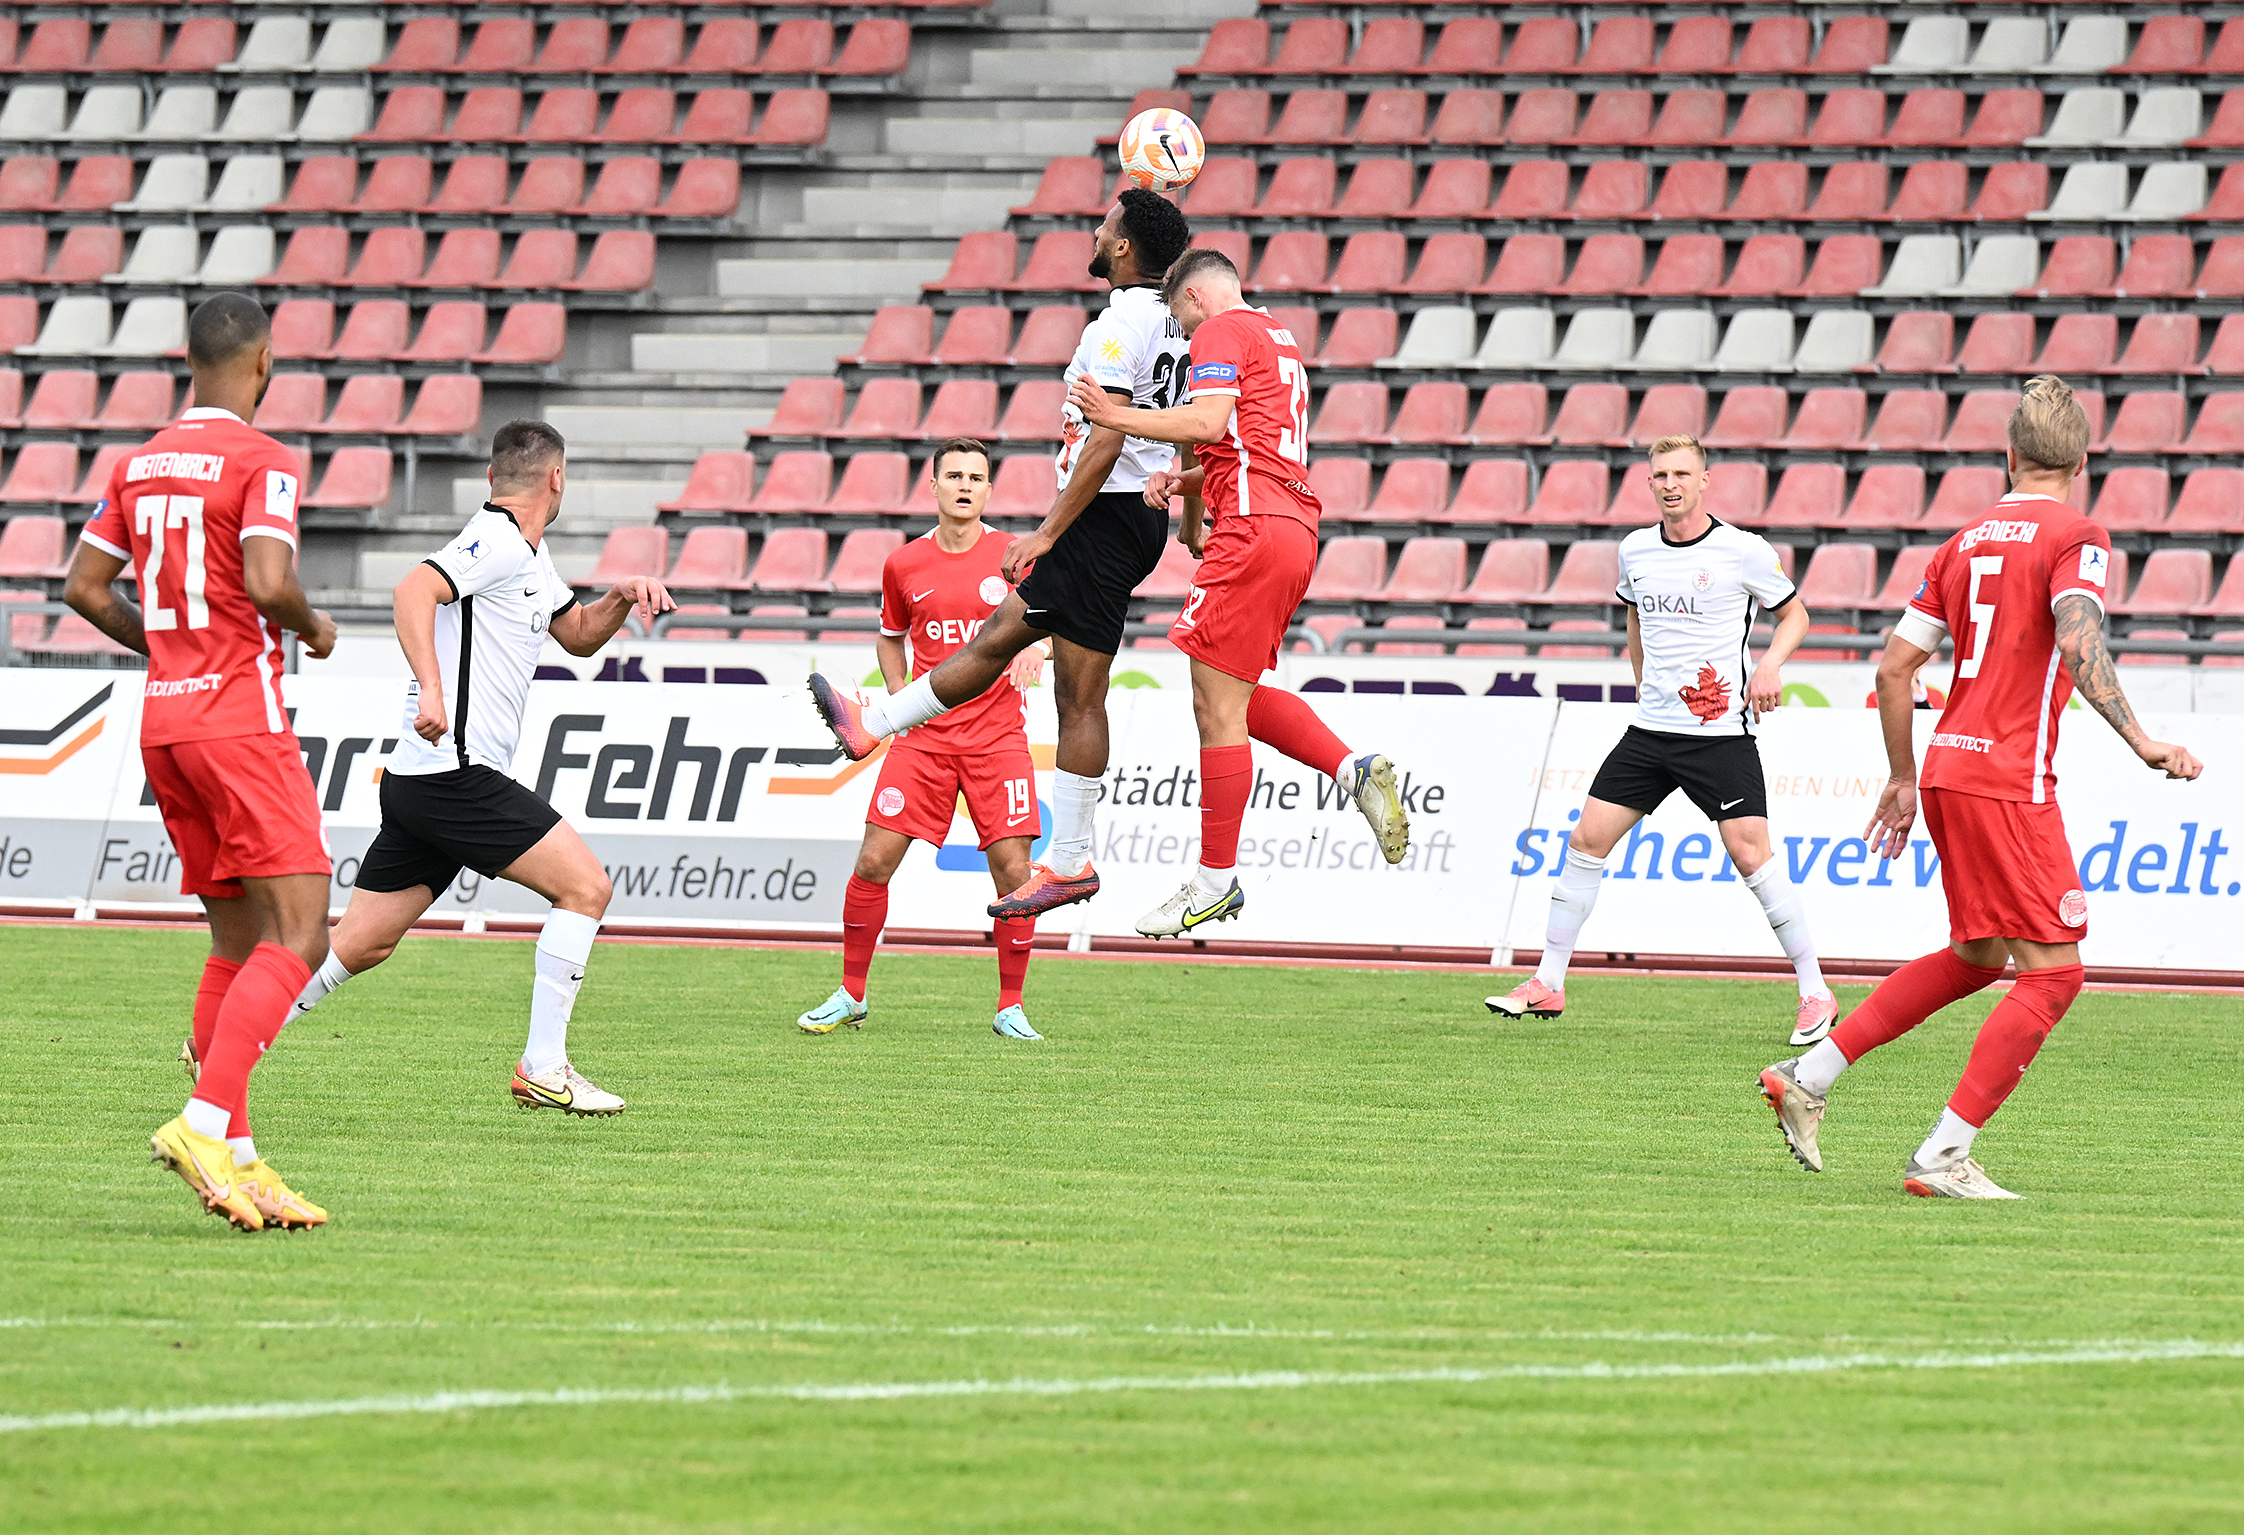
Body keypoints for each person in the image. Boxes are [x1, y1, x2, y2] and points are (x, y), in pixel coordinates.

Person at [1759, 377, 2202, 1198]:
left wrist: (1901, 773)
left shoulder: (1960, 543)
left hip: (1947, 769)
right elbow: (2079, 636)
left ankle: (1810, 1075)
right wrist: (2140, 738)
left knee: (1977, 955)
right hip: (2007, 778)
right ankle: (1942, 1154)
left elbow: (1895, 668)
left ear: (2009, 455)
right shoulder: (2078, 534)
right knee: (2055, 973)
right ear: (2080, 460)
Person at [805, 189, 1192, 923]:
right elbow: (1184, 428)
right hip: (1128, 517)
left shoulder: (1122, 323)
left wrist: (1048, 530)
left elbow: (1106, 434)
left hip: (1103, 516)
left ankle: (1070, 862)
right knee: (1001, 643)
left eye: (1107, 221)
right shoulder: (1176, 322)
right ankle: (875, 723)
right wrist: (1187, 515)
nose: (1098, 224)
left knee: (1074, 693)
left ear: (1123, 249)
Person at [284, 421, 675, 1115]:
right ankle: (543, 1066)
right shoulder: (495, 539)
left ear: (493, 475)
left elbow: (577, 636)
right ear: (556, 478)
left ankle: (235, 1035)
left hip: (423, 780)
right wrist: (430, 689)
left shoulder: (529, 551)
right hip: (455, 774)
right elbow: (413, 591)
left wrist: (618, 597)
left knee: (358, 944)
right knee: (586, 888)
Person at [63, 292, 337, 1231]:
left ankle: (245, 1162)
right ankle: (204, 1121)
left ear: (190, 360)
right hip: (239, 720)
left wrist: (170, 652)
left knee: (235, 941)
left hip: (165, 725)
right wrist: (314, 623)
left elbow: (82, 587)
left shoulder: (138, 463)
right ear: (263, 364)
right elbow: (267, 581)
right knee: (304, 931)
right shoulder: (263, 460)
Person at [1062, 247, 1411, 937]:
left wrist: (1115, 414)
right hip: (1290, 527)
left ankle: (1214, 882)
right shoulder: (1276, 335)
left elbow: (1206, 423)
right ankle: (1352, 770)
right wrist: (1187, 483)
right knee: (1233, 698)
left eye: (1184, 329)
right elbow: (1251, 446)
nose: (1189, 344)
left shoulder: (1221, 329)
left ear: (1194, 299)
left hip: (1251, 530)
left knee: (1211, 702)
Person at [1485, 436, 1838, 1045]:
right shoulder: (1636, 550)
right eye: (1660, 475)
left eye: (1682, 473)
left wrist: (1772, 666)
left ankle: (1816, 992)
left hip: (1718, 734)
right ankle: (1548, 980)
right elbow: (1634, 614)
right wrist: (1644, 679)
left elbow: (1796, 615)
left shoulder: (1743, 551)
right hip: (1651, 731)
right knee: (1585, 840)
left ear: (1705, 480)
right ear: (1650, 484)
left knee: (1752, 856)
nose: (1670, 484)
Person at [797, 441, 1051, 1041]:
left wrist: (1038, 647)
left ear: (988, 491)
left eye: (977, 478)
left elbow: (1054, 621)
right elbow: (890, 637)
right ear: (932, 487)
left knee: (1015, 877)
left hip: (997, 739)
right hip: (925, 741)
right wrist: (899, 699)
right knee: (872, 862)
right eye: (954, 475)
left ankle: (1010, 1007)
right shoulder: (903, 563)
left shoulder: (1013, 557)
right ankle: (850, 994)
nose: (965, 485)